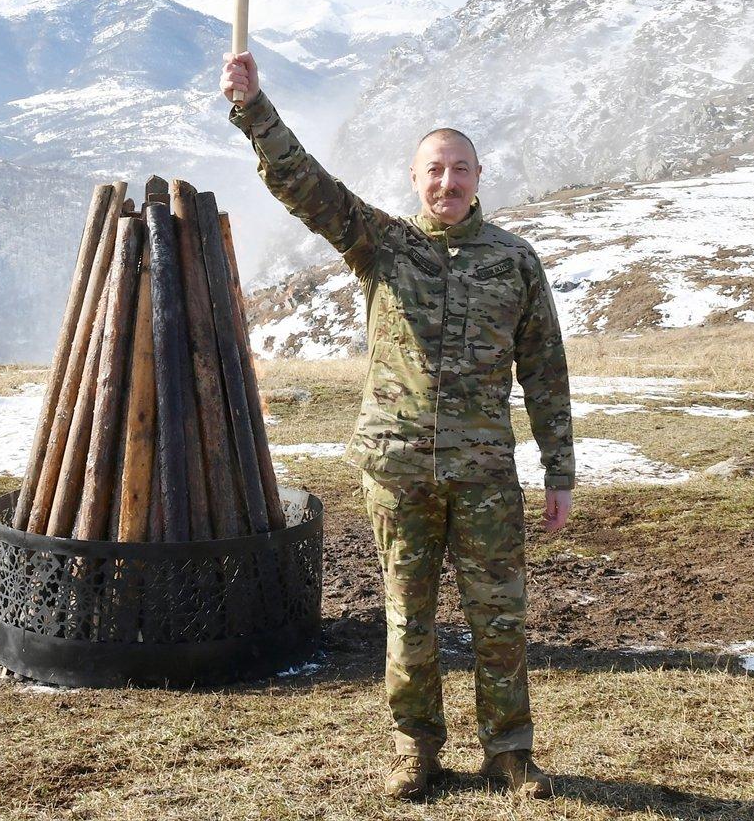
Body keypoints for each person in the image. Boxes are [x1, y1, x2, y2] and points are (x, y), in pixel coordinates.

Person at [221, 50, 574, 801]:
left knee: (500, 619)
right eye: (434, 170)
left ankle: (510, 752)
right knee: (409, 618)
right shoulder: (381, 244)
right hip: (398, 467)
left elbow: (546, 372)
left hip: (484, 475)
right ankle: (415, 750)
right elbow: (305, 184)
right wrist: (253, 111)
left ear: (479, 178)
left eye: (460, 170)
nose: (448, 182)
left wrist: (560, 473)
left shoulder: (516, 263)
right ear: (416, 180)